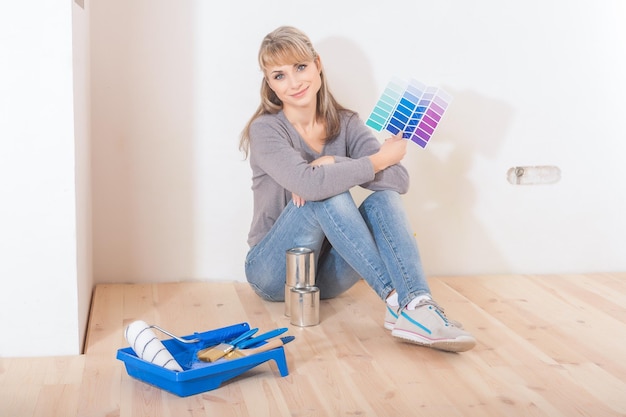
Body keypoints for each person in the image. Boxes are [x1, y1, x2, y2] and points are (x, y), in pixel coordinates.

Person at [239, 26, 476, 352]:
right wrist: (370, 162)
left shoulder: (346, 123)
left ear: (317, 64)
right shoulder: (266, 129)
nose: (293, 83)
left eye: (300, 67)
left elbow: (397, 182)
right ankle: (400, 300)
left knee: (382, 199)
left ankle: (415, 304)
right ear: (270, 84)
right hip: (273, 271)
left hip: (327, 278)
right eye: (279, 76)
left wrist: (333, 160)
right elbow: (310, 184)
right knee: (325, 193)